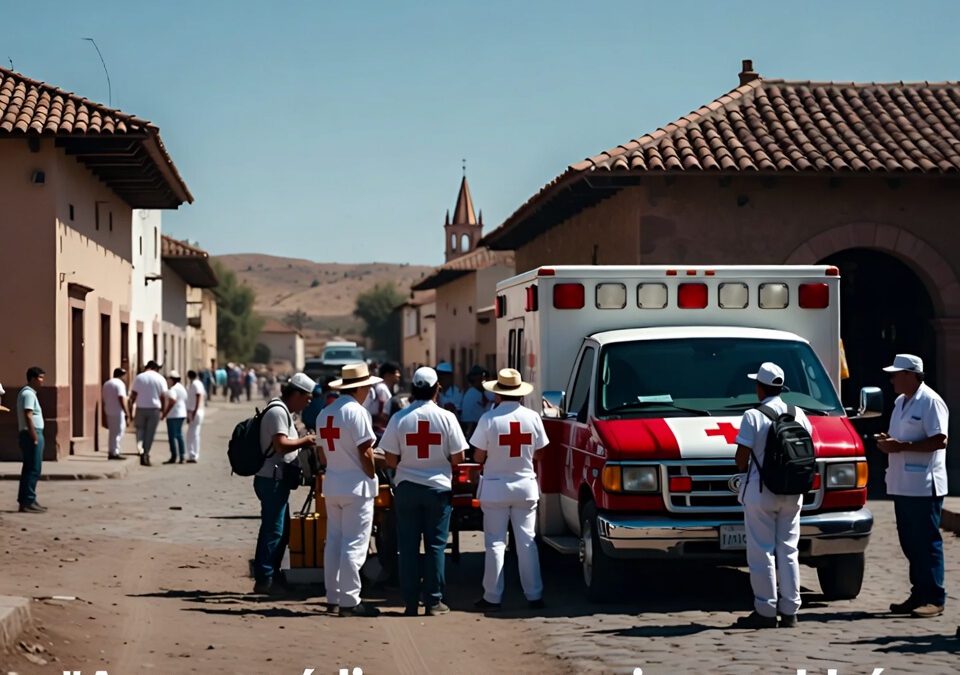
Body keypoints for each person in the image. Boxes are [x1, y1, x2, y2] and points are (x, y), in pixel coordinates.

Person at [381, 366, 467, 616]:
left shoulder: (399, 418)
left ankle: (410, 603)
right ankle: (433, 601)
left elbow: (390, 459)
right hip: (437, 490)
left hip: (407, 489)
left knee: (407, 547)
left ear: (413, 389)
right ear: (437, 389)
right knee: (435, 546)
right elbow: (459, 457)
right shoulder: (447, 418)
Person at [733, 362, 812, 629]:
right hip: (793, 491)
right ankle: (790, 610)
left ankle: (766, 610)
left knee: (761, 552)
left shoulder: (752, 416)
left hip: (761, 491)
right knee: (789, 550)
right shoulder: (799, 413)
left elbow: (741, 459)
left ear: (760, 387)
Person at [877, 354, 949, 619]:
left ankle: (934, 597)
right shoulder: (900, 402)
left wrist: (901, 447)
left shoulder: (931, 401)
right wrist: (889, 441)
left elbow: (940, 440)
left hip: (923, 484)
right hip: (902, 483)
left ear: (910, 374)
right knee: (910, 542)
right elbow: (901, 437)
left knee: (927, 542)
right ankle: (919, 593)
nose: (892, 380)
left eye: (896, 374)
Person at [470, 368, 548, 610]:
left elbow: (478, 456)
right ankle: (534, 595)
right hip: (525, 487)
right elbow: (541, 453)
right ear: (521, 394)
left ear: (497, 394)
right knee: (527, 542)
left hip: (495, 488)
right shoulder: (533, 417)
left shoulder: (488, 419)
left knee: (495, 543)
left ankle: (492, 597)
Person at [319, 363, 382, 617]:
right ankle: (350, 600)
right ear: (361, 388)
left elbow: (322, 455)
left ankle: (333, 596)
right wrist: (372, 474)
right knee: (354, 544)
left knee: (334, 541)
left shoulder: (325, 413)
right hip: (356, 487)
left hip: (333, 483)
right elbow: (366, 451)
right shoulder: (357, 412)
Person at [253, 372, 317, 595]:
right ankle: (265, 578)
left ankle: (273, 574)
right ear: (296, 394)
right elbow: (280, 445)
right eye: (307, 398)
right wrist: (305, 441)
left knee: (280, 529)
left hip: (277, 478)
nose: (308, 403)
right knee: (273, 530)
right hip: (272, 479)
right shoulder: (278, 412)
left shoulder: (283, 411)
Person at [16, 366, 47, 513]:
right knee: (33, 468)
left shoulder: (29, 393)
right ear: (33, 379)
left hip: (31, 433)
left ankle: (28, 499)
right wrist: (34, 436)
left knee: (30, 468)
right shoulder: (28, 394)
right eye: (40, 378)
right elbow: (28, 415)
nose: (42, 381)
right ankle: (27, 501)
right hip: (31, 434)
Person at [129, 360, 168, 466]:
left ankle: (140, 449)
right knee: (150, 432)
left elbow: (133, 394)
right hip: (154, 409)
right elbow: (163, 396)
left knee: (140, 429)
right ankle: (146, 452)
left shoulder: (139, 377)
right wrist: (163, 411)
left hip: (140, 407)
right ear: (156, 368)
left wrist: (131, 408)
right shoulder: (160, 379)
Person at [363, 362, 400, 436]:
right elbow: (384, 415)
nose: (399, 375)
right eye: (396, 372)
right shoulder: (382, 388)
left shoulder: (379, 387)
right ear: (388, 375)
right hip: (378, 430)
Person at [101, 367, 128, 460]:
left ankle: (111, 450)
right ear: (121, 375)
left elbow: (103, 398)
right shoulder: (120, 384)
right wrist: (126, 411)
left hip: (109, 410)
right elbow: (121, 398)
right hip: (118, 411)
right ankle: (115, 452)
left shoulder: (107, 383)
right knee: (119, 431)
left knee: (112, 432)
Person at [161, 371, 188, 464]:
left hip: (173, 415)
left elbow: (172, 400)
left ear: (172, 379)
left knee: (172, 436)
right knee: (179, 435)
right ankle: (182, 455)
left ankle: (174, 455)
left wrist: (165, 413)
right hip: (182, 413)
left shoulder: (173, 389)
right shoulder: (181, 388)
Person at [460, 365, 494, 437]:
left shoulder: (481, 392)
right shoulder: (472, 394)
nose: (484, 381)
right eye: (482, 379)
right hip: (473, 428)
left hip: (478, 427)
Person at [185, 370, 206, 463]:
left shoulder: (195, 384)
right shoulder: (197, 383)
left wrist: (194, 412)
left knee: (192, 434)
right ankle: (193, 454)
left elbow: (198, 397)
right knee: (194, 433)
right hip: (196, 411)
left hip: (195, 411)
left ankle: (193, 454)